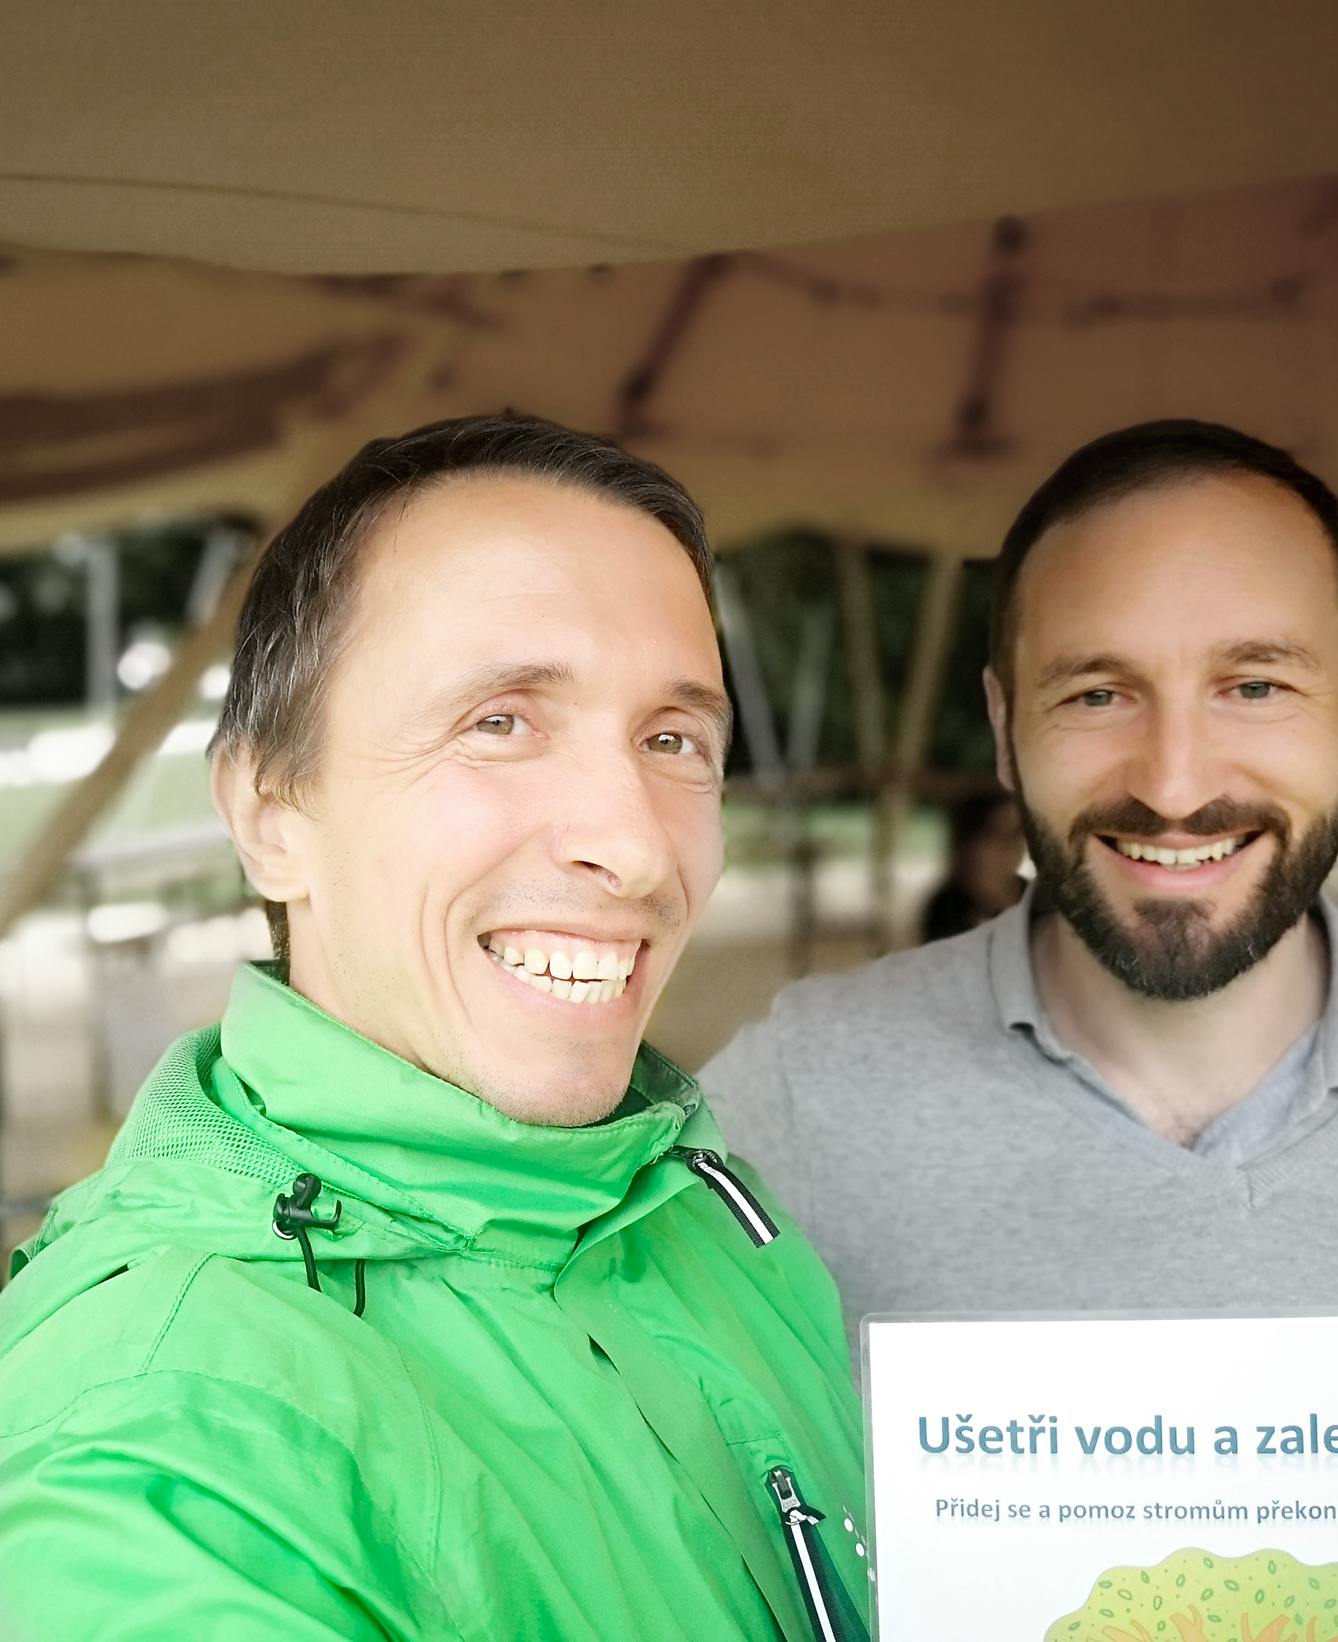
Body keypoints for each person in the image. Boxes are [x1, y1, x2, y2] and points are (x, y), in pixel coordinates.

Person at [0, 415, 871, 1642]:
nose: (630, 845)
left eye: (673, 739)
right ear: (270, 812)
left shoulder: (688, 1204)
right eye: (500, 722)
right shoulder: (159, 1448)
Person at [702, 419, 1338, 1474]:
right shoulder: (786, 1112)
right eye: (1097, 694)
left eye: (1255, 686)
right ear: (1004, 728)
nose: (1177, 786)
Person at [918, 789, 1026, 943]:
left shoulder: (1036, 901)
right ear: (970, 843)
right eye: (997, 834)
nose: (1011, 845)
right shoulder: (946, 909)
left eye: (1017, 834)